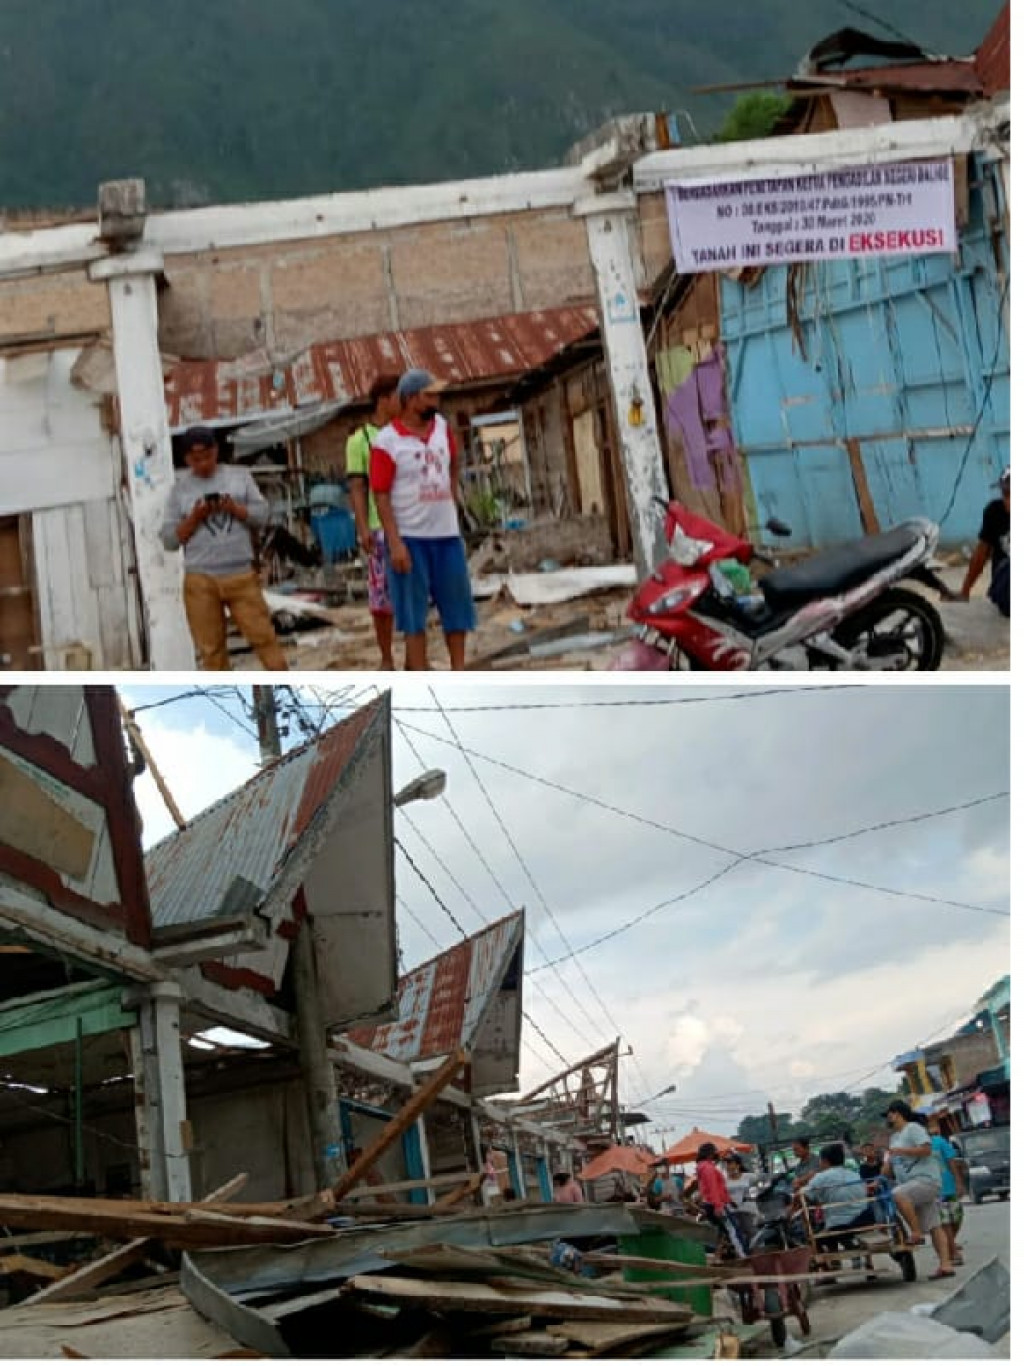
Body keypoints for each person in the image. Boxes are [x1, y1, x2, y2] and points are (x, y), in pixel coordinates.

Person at [369, 369, 476, 670]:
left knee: (457, 609)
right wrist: (395, 543)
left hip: (446, 536)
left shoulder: (441, 428)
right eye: (430, 395)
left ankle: (458, 671)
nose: (436, 400)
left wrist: (451, 499)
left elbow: (454, 464)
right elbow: (380, 496)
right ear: (411, 398)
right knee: (413, 617)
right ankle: (419, 672)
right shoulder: (387, 442)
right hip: (410, 538)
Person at [160, 426, 288, 670]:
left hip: (240, 574)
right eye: (196, 459)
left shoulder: (239, 477)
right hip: (200, 579)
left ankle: (283, 689)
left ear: (216, 451)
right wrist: (196, 516)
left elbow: (263, 515)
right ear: (187, 459)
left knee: (264, 638)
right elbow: (169, 540)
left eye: (207, 456)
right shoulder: (179, 491)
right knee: (211, 650)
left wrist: (235, 509)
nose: (203, 463)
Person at [346, 373, 401, 669]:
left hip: (411, 523)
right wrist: (363, 527)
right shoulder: (361, 441)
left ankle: (418, 656)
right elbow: (357, 487)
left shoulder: (406, 433)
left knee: (417, 593)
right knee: (382, 600)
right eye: (398, 396)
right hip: (380, 527)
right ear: (383, 400)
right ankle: (387, 656)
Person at [882, 1100, 953, 1279]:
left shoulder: (913, 1128)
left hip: (925, 1180)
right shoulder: (893, 1138)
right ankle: (946, 1265)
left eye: (889, 1114)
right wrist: (887, 1162)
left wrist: (901, 1151)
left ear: (897, 1113)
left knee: (897, 1194)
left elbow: (926, 1150)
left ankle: (915, 1232)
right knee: (935, 1226)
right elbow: (888, 1171)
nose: (887, 1119)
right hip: (912, 1186)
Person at [803, 1143, 875, 1255]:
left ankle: (830, 1263)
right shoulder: (855, 1175)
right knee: (830, 1221)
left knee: (813, 1238)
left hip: (839, 1226)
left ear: (825, 1161)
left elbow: (804, 1196)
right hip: (864, 1220)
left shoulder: (821, 1177)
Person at [959, 469, 1009, 616]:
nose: (1008, 500)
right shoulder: (994, 511)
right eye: (1005, 494)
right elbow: (981, 555)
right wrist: (966, 588)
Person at [693, 1142, 746, 1256]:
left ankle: (722, 1255)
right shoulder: (708, 1168)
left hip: (712, 1204)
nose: (716, 1153)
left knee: (724, 1232)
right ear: (710, 1154)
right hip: (716, 1204)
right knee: (733, 1232)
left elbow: (714, 1188)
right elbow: (713, 1189)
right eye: (715, 1151)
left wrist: (729, 1201)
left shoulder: (704, 1167)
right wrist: (719, 1206)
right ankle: (742, 1255)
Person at [928, 1119, 967, 1267]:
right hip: (934, 1190)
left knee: (957, 1217)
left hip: (949, 1185)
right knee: (945, 1222)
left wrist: (959, 1182)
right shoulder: (915, 1147)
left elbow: (951, 1161)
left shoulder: (939, 1142)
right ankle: (953, 1252)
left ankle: (948, 1243)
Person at [722, 1152, 757, 1247]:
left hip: (748, 1211)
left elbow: (761, 1186)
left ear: (738, 1164)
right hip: (732, 1213)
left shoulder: (749, 1177)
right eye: (726, 1164)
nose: (728, 1166)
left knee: (753, 1235)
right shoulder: (724, 1181)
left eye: (730, 1163)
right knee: (738, 1238)